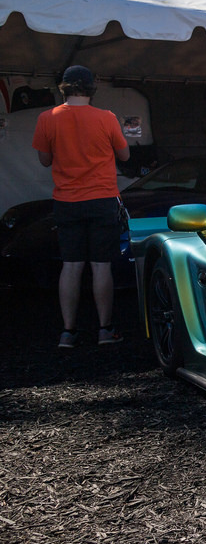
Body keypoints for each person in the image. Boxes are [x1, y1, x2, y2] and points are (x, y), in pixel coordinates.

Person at [32, 65, 130, 348]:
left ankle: (68, 332)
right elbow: (124, 155)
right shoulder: (107, 118)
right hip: (101, 199)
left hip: (66, 201)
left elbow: (44, 160)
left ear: (63, 87)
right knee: (101, 266)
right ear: (91, 88)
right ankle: (105, 330)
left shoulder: (46, 118)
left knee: (71, 266)